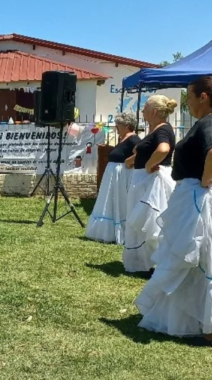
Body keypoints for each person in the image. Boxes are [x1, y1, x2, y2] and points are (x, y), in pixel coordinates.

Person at [134, 76, 212, 338]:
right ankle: (196, 319)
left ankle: (206, 324)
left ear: (203, 97)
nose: (186, 103)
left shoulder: (209, 122)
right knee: (190, 258)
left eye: (189, 97)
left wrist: (206, 179)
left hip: (195, 196)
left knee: (189, 254)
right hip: (190, 193)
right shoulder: (202, 123)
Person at [122, 95, 177, 274]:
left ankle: (153, 261)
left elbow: (163, 149)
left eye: (145, 107)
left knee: (148, 222)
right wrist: (132, 160)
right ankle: (141, 261)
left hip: (151, 182)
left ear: (154, 112)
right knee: (141, 222)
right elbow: (147, 151)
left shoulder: (162, 130)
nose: (142, 110)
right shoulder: (156, 130)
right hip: (143, 180)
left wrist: (148, 165)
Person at [84, 113, 141, 244]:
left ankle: (121, 230)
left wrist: (129, 162)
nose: (116, 127)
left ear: (127, 126)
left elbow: (141, 153)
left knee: (119, 201)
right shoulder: (124, 138)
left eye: (118, 125)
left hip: (121, 175)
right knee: (109, 200)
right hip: (113, 174)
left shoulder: (133, 139)